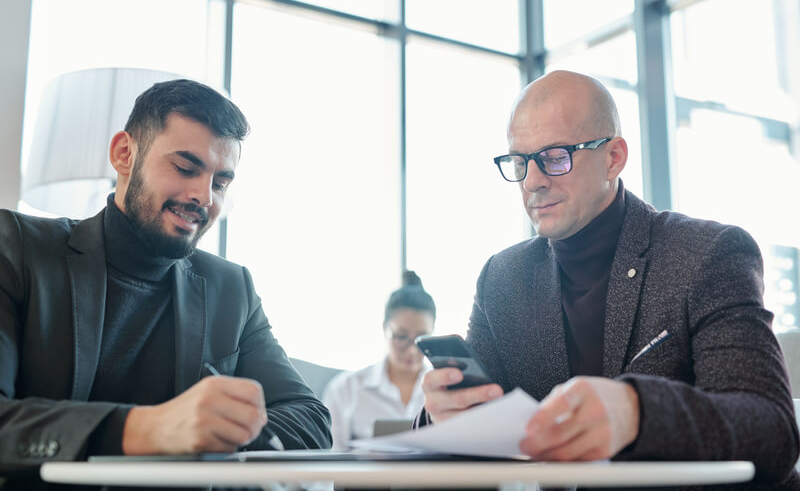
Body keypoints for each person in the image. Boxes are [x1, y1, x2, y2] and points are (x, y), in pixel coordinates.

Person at [418, 70, 799, 488]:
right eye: (520, 161)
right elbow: (476, 427)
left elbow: (771, 430)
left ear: (614, 157)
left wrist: (638, 412)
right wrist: (442, 415)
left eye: (555, 157)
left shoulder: (706, 253)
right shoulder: (503, 279)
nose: (532, 181)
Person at [0, 79, 331, 476]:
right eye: (186, 167)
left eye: (220, 182)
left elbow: (311, 419)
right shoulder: (17, 248)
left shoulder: (232, 289)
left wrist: (219, 431)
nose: (205, 197)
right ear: (124, 154)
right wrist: (149, 429)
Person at [323, 270, 435, 449]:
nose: (412, 350)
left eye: (421, 339)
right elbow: (328, 463)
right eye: (401, 336)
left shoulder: (445, 390)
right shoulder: (346, 389)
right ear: (385, 328)